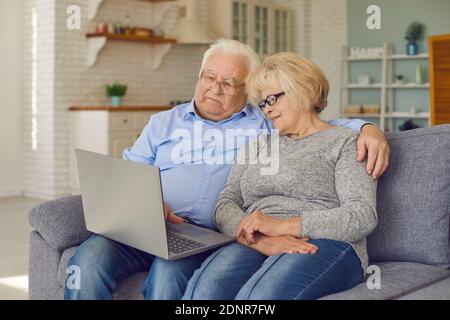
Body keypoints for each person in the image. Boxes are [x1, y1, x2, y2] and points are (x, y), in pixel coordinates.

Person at [64, 40, 389, 300]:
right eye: (209, 77)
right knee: (88, 262)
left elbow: (318, 126)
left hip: (202, 236)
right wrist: (141, 204)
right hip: (148, 225)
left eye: (229, 83)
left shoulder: (263, 124)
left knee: (172, 276)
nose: (214, 89)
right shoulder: (166, 123)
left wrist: (370, 128)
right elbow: (131, 177)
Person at [182, 52, 378, 300]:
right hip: (256, 241)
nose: (267, 109)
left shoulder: (345, 142)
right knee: (204, 293)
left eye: (272, 99)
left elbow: (362, 215)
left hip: (328, 242)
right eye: (263, 103)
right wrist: (259, 238)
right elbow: (225, 203)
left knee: (260, 298)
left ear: (304, 91)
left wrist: (281, 226)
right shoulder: (257, 146)